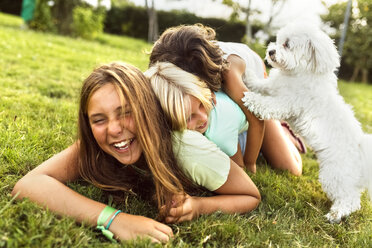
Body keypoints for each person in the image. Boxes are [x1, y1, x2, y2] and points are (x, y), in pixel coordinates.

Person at [12, 62, 260, 243]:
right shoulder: (97, 143)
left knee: (282, 148)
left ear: (148, 109)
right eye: (99, 119)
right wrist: (114, 220)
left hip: (239, 125)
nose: (114, 129)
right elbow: (29, 184)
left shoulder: (189, 149)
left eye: (126, 112)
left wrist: (197, 206)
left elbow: (250, 195)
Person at [149, 24, 303, 176]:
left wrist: (250, 163)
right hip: (223, 93)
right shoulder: (168, 70)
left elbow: (256, 119)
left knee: (290, 168)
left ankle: (283, 130)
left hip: (255, 89)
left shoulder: (228, 73)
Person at [145, 62, 260, 172]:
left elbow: (239, 167)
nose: (203, 118)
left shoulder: (219, 134)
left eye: (201, 105)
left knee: (278, 160)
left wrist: (250, 163)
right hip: (231, 124)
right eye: (189, 118)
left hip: (255, 117)